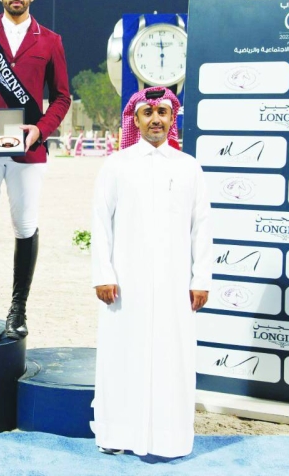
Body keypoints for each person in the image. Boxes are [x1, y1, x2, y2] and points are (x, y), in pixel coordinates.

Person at [90, 86, 212, 458]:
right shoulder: (116, 165)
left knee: (172, 359)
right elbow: (101, 223)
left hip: (175, 284)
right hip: (125, 285)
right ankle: (117, 434)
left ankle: (168, 440)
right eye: (148, 113)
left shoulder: (188, 166)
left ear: (172, 119)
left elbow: (201, 226)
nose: (155, 120)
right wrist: (103, 273)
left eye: (162, 113)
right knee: (121, 355)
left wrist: (201, 278)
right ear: (136, 120)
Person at [0, 0, 70, 341]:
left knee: (25, 226)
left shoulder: (51, 40)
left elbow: (62, 97)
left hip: (28, 150)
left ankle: (18, 309)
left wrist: (40, 130)